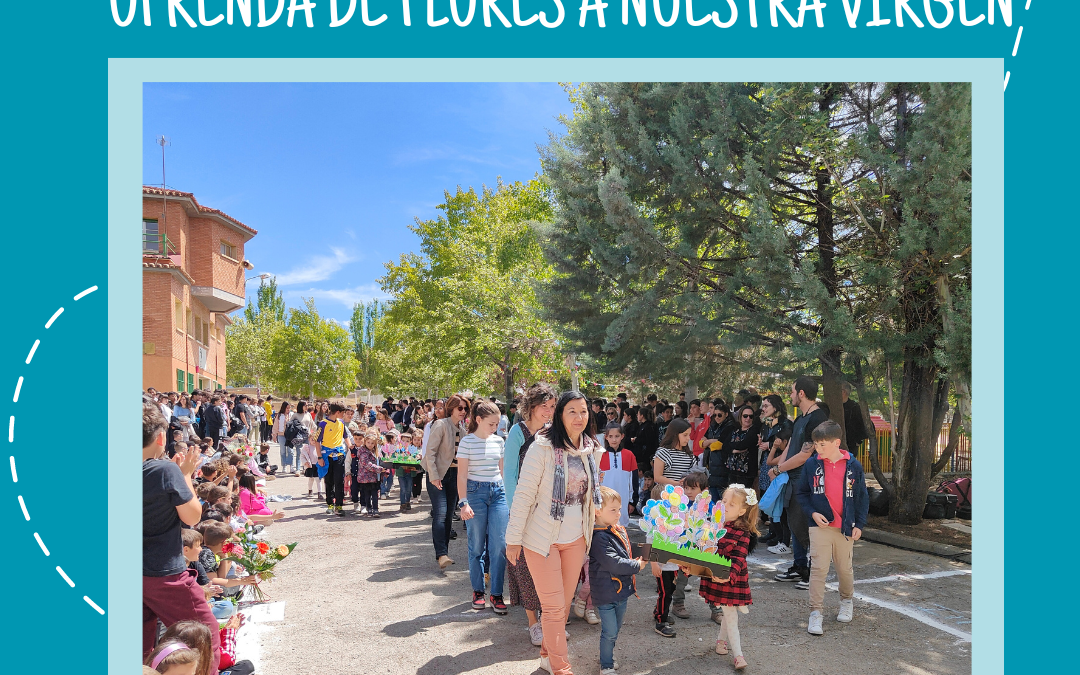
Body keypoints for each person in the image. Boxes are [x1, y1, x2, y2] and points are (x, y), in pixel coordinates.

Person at [505, 391, 603, 675]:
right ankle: (561, 667)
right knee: (552, 607)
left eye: (583, 411)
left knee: (561, 605)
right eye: (572, 411)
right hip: (541, 539)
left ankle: (548, 655)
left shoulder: (590, 449)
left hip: (575, 539)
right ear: (560, 414)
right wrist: (513, 539)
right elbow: (523, 495)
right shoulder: (542, 448)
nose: (579, 417)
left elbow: (591, 496)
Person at [142, 402, 221, 663]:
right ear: (161, 437)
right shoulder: (164, 469)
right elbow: (193, 516)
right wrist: (186, 474)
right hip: (162, 573)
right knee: (204, 636)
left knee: (141, 647)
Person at [797, 420, 869, 636]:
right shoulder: (812, 465)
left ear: (836, 443)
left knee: (844, 569)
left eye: (822, 445)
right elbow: (801, 493)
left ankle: (847, 601)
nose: (817, 449)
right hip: (820, 525)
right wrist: (812, 513)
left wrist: (860, 524)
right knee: (818, 569)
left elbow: (862, 497)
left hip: (845, 527)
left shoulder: (854, 466)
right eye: (816, 444)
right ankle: (815, 612)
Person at [503, 383, 558, 647]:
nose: (548, 412)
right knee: (523, 566)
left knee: (548, 566)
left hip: (549, 509)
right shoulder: (517, 431)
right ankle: (533, 623)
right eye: (543, 406)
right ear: (531, 407)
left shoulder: (553, 433)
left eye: (551, 407)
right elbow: (510, 475)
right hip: (523, 508)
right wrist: (517, 511)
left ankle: (550, 620)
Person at [769, 376, 830, 588]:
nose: (791, 395)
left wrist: (778, 469)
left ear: (801, 393)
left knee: (807, 527)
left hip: (810, 480)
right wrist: (778, 466)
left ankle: (814, 573)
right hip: (794, 479)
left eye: (793, 391)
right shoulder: (800, 418)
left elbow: (805, 455)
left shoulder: (818, 419)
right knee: (795, 524)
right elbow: (791, 446)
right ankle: (800, 566)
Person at [457, 400, 510, 615]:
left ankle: (496, 594)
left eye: (497, 423)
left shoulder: (499, 441)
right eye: (491, 423)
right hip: (475, 494)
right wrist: (463, 503)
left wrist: (509, 498)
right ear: (478, 420)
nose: (495, 427)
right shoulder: (467, 442)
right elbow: (461, 474)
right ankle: (478, 591)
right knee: (476, 546)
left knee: (499, 547)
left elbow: (503, 472)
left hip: (498, 493)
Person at [699, 484, 759, 671]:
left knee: (730, 613)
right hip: (717, 577)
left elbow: (739, 558)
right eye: (724, 501)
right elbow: (703, 551)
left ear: (742, 511)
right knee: (728, 611)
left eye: (731, 504)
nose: (725, 505)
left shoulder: (743, 532)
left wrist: (728, 576)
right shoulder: (713, 525)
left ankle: (737, 654)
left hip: (732, 580)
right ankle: (722, 643)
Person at [590, 486, 646, 675]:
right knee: (610, 631)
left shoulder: (615, 530)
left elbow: (626, 553)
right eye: (612, 510)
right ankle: (605, 665)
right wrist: (637, 565)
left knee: (615, 630)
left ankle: (608, 655)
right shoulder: (598, 538)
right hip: (606, 594)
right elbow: (613, 562)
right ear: (597, 511)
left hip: (620, 591)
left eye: (619, 509)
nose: (618, 513)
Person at [422, 393, 469, 569]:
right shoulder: (441, 425)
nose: (463, 411)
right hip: (438, 475)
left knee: (449, 515)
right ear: (451, 408)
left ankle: (444, 554)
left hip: (454, 477)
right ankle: (441, 554)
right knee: (440, 513)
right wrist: (434, 476)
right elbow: (430, 452)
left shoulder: (463, 430)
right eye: (460, 408)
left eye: (466, 408)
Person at [181, 529, 233, 621]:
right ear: (186, 550)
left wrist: (210, 590)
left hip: (202, 600)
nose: (201, 549)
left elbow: (205, 583)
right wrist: (204, 592)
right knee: (226, 607)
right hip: (188, 605)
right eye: (198, 546)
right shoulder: (178, 569)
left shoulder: (195, 562)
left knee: (226, 605)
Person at [597, 423, 638, 524]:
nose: (614, 440)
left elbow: (633, 480)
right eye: (610, 436)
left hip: (623, 500)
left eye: (617, 436)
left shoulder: (629, 455)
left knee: (621, 528)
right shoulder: (599, 455)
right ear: (606, 437)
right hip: (604, 500)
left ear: (622, 436)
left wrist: (632, 501)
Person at [315, 403, 349, 515]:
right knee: (329, 481)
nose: (344, 415)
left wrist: (351, 447)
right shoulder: (323, 424)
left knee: (339, 480)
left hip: (339, 455)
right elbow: (316, 441)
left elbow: (346, 436)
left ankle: (339, 505)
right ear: (338, 412)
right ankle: (330, 504)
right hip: (326, 456)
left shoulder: (342, 423)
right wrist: (319, 457)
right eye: (343, 413)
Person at [723, 405, 761, 489]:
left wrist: (732, 446)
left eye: (750, 416)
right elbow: (724, 445)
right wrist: (733, 450)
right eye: (745, 416)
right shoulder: (735, 429)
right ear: (740, 416)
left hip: (747, 473)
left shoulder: (754, 430)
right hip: (732, 470)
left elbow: (744, 445)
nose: (748, 418)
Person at [651, 418, 695, 488]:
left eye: (689, 435)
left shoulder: (690, 456)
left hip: (684, 495)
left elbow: (694, 474)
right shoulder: (663, 452)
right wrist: (677, 484)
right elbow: (657, 477)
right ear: (675, 434)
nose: (688, 438)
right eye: (685, 435)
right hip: (666, 494)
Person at [352, 429, 386, 516]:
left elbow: (378, 461)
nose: (370, 445)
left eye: (372, 443)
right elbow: (367, 464)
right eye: (368, 442)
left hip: (374, 477)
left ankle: (375, 509)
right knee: (367, 495)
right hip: (365, 478)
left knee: (375, 494)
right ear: (365, 442)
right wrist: (380, 469)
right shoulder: (363, 453)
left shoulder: (375, 452)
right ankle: (369, 507)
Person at [841, 382, 869, 452]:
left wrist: (858, 441)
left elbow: (862, 424)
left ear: (843, 392)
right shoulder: (834, 406)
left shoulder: (855, 407)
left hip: (851, 444)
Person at [273, 401, 293, 475]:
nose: (288, 409)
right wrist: (274, 435)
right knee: (283, 451)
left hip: (290, 435)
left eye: (289, 408)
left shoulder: (291, 415)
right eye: (287, 408)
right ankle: (284, 466)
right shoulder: (279, 415)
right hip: (281, 435)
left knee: (290, 451)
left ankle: (291, 465)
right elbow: (275, 425)